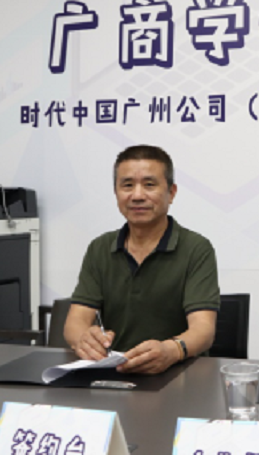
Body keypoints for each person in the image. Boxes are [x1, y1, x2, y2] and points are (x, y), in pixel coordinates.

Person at [64, 145, 220, 374]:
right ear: (116, 193)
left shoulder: (196, 248)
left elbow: (203, 329)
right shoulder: (100, 248)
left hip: (179, 374)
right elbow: (75, 321)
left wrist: (172, 350)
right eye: (127, 185)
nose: (137, 196)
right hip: (115, 372)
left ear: (171, 192)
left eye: (149, 185)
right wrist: (84, 340)